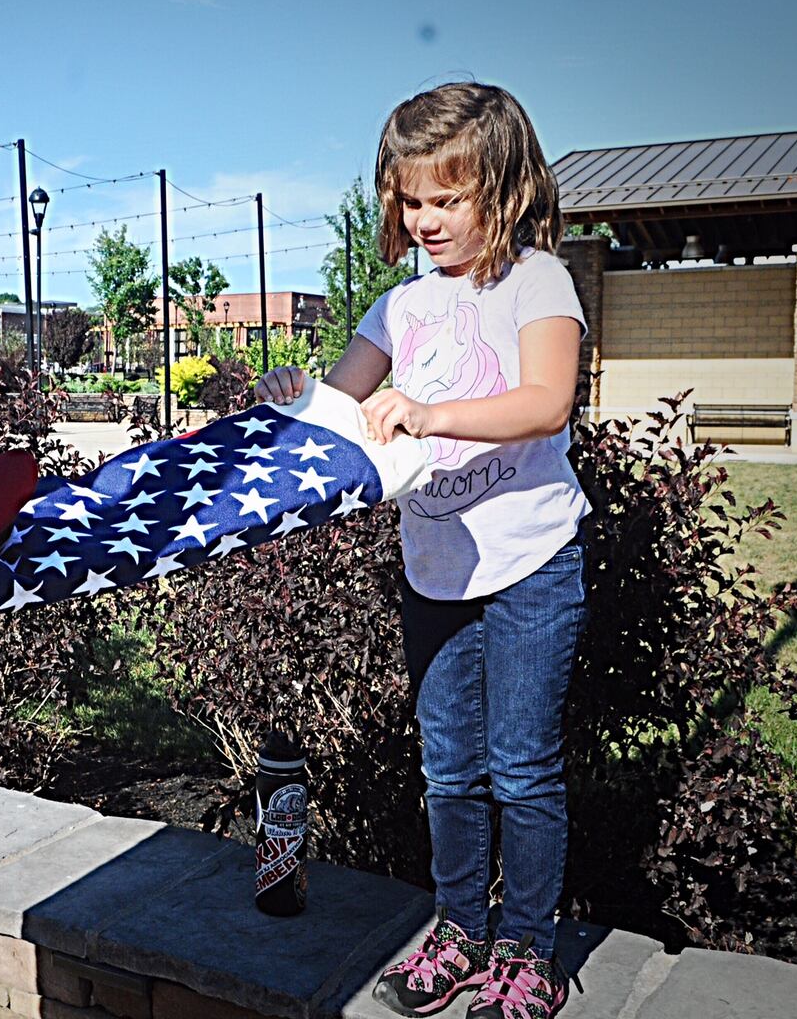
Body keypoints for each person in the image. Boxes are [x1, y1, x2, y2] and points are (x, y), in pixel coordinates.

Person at [259, 82, 586, 1019]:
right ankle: (456, 932)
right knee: (448, 766)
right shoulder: (397, 306)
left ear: (506, 189)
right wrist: (301, 397)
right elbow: (338, 410)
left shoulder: (538, 282)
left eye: (448, 198)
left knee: (522, 767)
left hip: (530, 566)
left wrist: (430, 412)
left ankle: (527, 951)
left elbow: (546, 400)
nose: (426, 219)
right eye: (411, 200)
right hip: (434, 570)